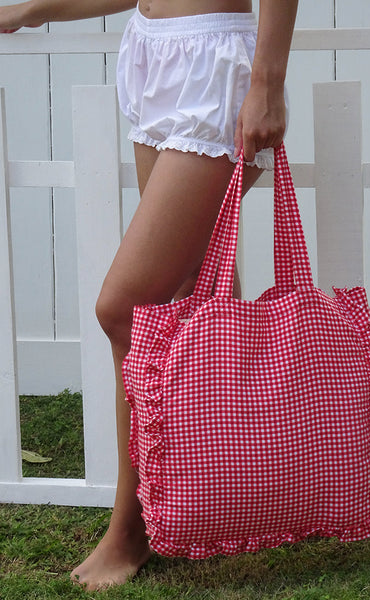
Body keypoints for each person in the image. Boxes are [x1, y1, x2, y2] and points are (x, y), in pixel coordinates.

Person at [0, 0, 298, 591]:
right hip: (154, 51)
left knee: (127, 311)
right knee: (189, 299)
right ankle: (205, 500)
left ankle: (131, 529)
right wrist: (30, 10)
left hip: (216, 64)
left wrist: (268, 78)